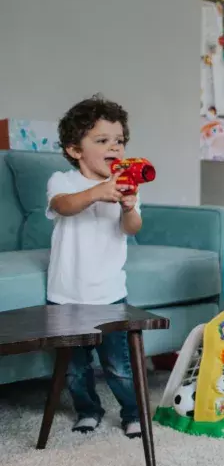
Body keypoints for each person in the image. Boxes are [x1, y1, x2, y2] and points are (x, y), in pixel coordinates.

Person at [46, 95, 143, 438]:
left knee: (119, 367)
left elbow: (131, 229)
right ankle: (88, 410)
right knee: (74, 368)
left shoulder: (125, 185)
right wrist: (98, 192)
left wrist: (129, 206)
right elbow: (64, 206)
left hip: (109, 295)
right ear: (75, 150)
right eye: (102, 140)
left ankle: (134, 412)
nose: (114, 147)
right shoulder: (63, 181)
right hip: (66, 295)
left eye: (119, 140)